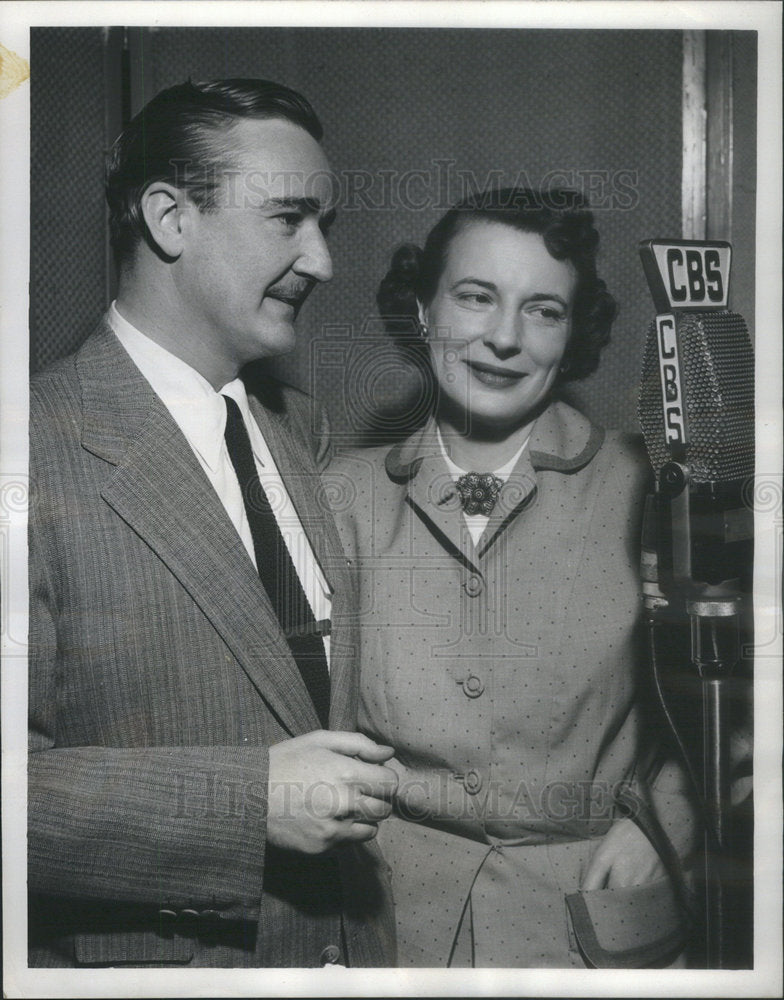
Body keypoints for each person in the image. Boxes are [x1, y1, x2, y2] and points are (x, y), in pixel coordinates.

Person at [28, 78, 398, 968]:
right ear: (169, 217)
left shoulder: (297, 427)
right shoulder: (31, 448)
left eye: (326, 226)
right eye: (288, 218)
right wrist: (246, 800)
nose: (322, 261)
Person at [327, 188, 700, 967]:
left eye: (542, 311)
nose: (504, 337)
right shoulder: (338, 494)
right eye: (476, 297)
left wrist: (666, 822)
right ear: (425, 311)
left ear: (572, 338)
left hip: (588, 927)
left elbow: (740, 699)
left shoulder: (655, 487)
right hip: (385, 929)